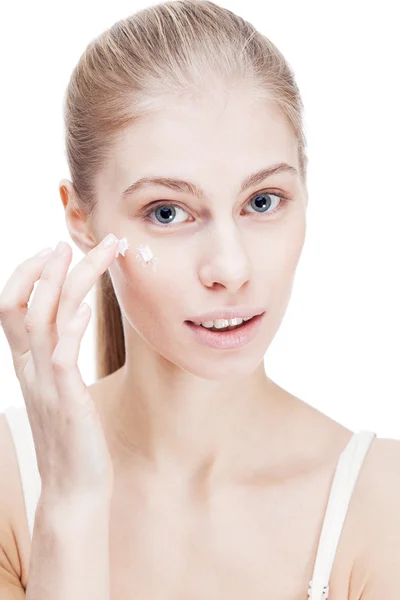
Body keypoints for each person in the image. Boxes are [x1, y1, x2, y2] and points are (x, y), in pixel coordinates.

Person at [0, 1, 399, 598]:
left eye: (263, 201)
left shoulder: (379, 504)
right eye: (167, 212)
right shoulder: (14, 486)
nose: (231, 269)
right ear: (81, 220)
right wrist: (70, 507)